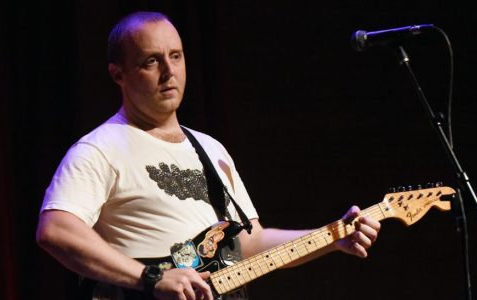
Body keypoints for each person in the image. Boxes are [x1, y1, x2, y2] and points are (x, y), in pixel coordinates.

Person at [36, 11, 380, 300]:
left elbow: (251, 241)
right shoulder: (100, 149)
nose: (169, 72)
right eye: (151, 61)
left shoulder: (211, 149)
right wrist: (151, 277)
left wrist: (334, 236)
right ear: (118, 74)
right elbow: (56, 231)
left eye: (176, 56)